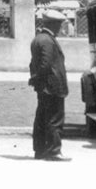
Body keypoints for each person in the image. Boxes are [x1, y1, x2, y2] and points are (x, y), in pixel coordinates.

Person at [29, 9, 70, 161]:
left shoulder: (39, 38)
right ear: (53, 24)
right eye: (59, 24)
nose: (60, 28)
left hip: (44, 86)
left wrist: (35, 79)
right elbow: (45, 65)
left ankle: (40, 150)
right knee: (54, 119)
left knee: (41, 118)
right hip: (52, 87)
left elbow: (34, 64)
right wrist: (39, 79)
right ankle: (54, 152)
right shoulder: (47, 40)